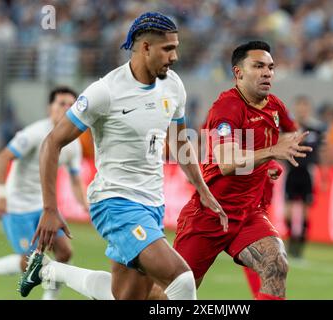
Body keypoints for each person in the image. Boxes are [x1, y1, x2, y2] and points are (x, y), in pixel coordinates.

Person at [18, 12, 226, 301]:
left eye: (176, 47)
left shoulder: (174, 85)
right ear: (145, 48)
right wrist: (50, 208)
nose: (175, 56)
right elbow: (52, 143)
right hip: (115, 203)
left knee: (128, 297)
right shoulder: (105, 92)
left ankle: (50, 272)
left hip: (153, 204)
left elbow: (180, 142)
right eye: (168, 48)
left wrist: (203, 190)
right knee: (182, 281)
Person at [173, 40, 311, 300]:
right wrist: (271, 153)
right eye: (258, 66)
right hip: (210, 214)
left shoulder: (274, 106)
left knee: (276, 264)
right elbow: (226, 163)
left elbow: (290, 135)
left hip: (248, 214)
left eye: (270, 67)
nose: (267, 72)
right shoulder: (227, 108)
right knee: (173, 294)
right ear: (238, 73)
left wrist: (269, 162)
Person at [0, 86, 87, 300]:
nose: (66, 108)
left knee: (64, 253)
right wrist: (1, 195)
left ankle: (49, 298)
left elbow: (75, 179)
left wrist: (85, 204)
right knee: (29, 261)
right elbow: (3, 158)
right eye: (61, 103)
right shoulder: (34, 134)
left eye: (70, 105)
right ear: (49, 108)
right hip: (17, 207)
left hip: (44, 207)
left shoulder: (74, 142)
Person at [284, 95, 326, 259]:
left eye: (304, 106)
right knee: (287, 212)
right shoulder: (289, 127)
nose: (302, 109)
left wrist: (323, 176)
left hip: (307, 172)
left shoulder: (316, 128)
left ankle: (300, 246)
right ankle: (291, 241)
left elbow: (321, 153)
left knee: (305, 212)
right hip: (291, 172)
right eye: (299, 106)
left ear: (308, 109)